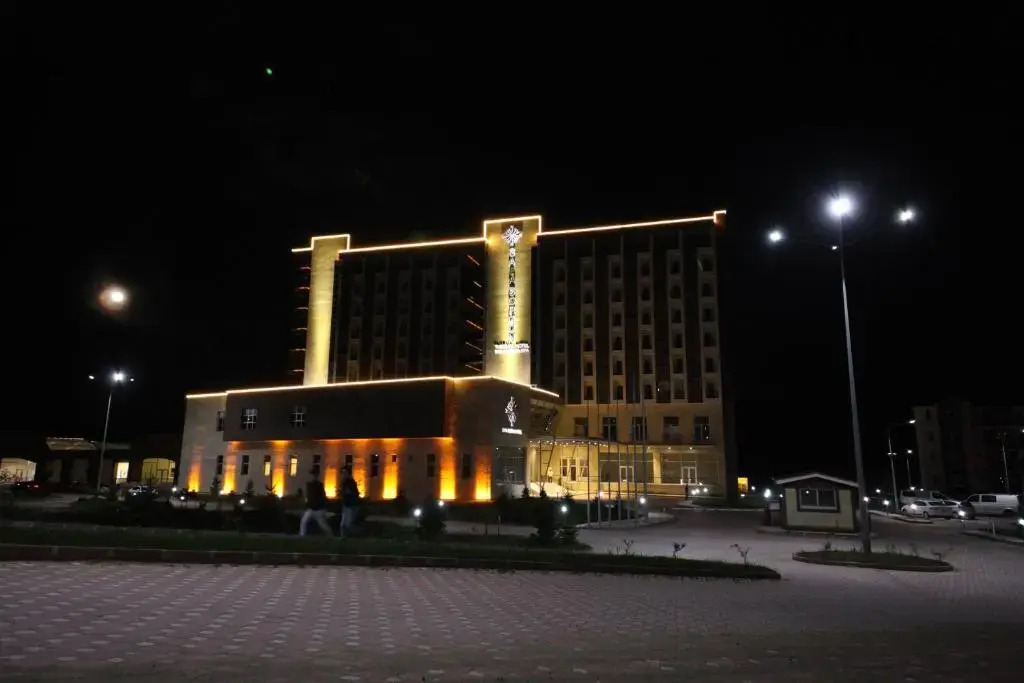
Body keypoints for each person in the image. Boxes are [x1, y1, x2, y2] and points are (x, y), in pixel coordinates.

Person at [300, 470, 331, 537]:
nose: (313, 477)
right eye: (312, 475)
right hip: (311, 509)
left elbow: (322, 497)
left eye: (314, 475)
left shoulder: (319, 485)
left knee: (323, 525)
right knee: (304, 522)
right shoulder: (309, 485)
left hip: (318, 510)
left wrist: (323, 507)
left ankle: (330, 536)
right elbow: (308, 496)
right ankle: (302, 536)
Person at [339, 465, 361, 538]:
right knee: (343, 525)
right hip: (347, 506)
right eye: (342, 473)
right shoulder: (344, 482)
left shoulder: (350, 482)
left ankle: (360, 534)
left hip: (352, 506)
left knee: (348, 525)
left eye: (344, 473)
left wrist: (348, 493)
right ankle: (343, 538)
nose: (343, 474)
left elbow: (355, 493)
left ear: (348, 473)